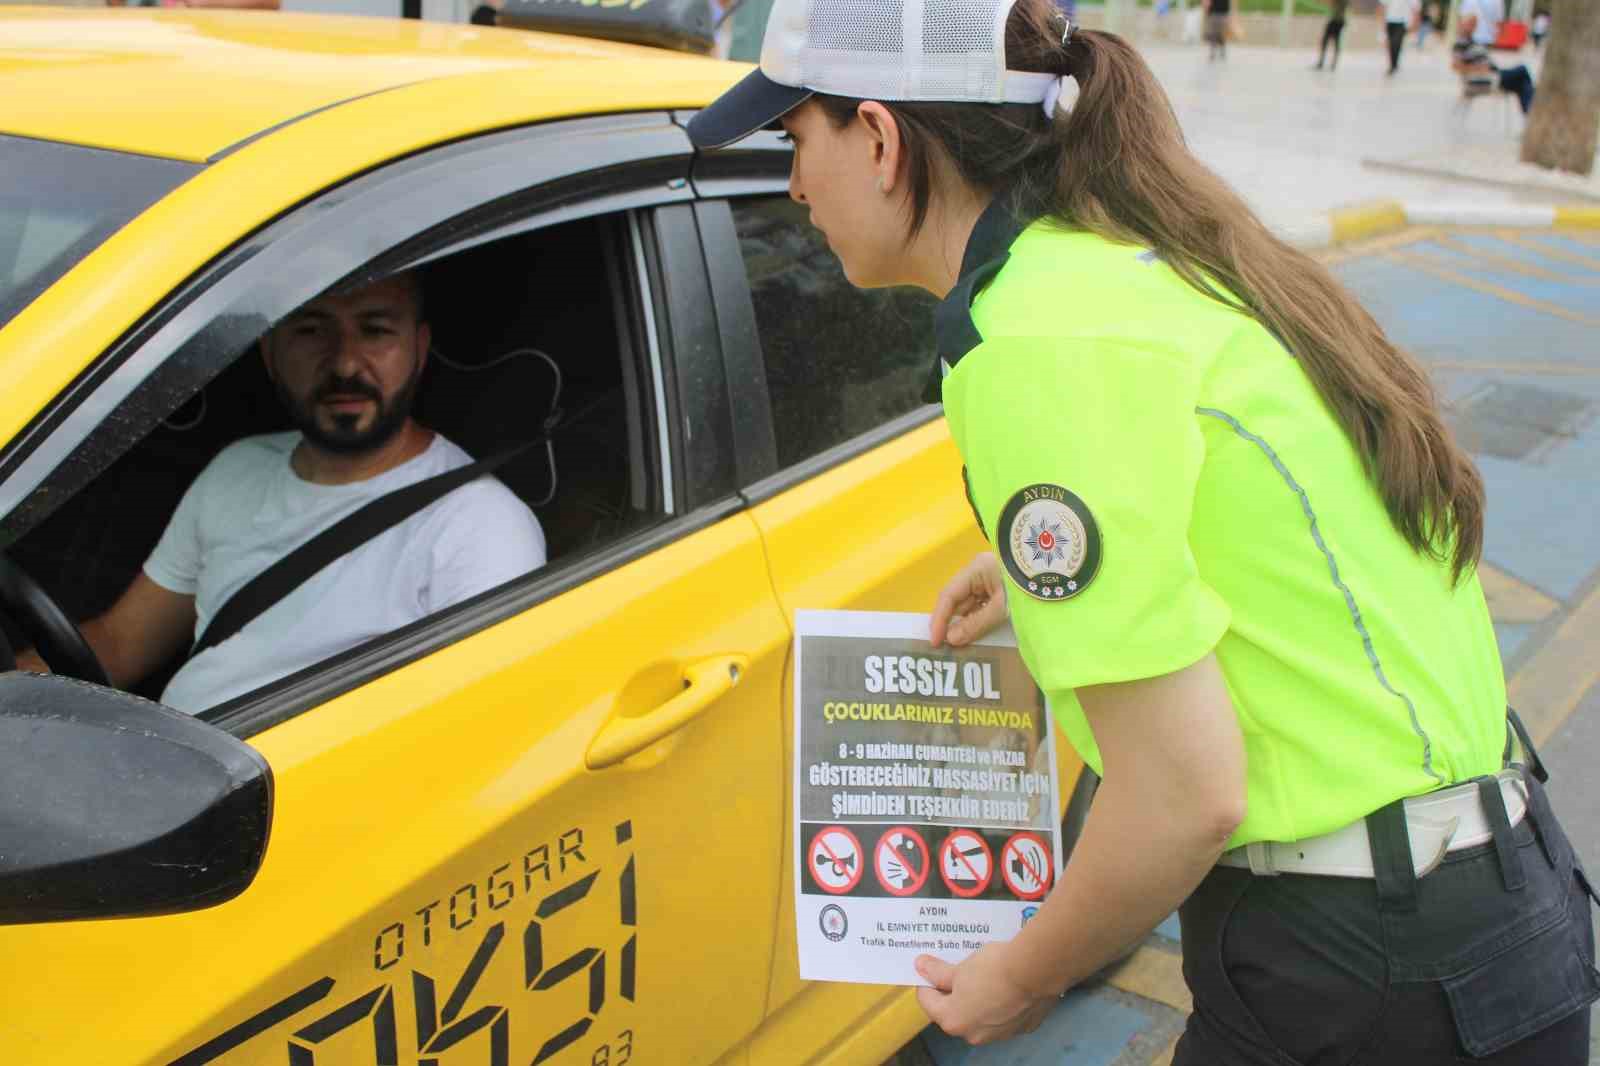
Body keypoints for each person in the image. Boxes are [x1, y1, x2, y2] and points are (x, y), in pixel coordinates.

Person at [686, 0, 1599, 1060]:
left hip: (1362, 969)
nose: (792, 186)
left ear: (880, 139)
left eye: (796, 140)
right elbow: (1222, 504)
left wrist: (1020, 977)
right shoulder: (1114, 259)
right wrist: (1024, 572)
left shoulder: (1036, 343)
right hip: (1478, 906)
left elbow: (1182, 793)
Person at [16, 274, 547, 713]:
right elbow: (120, 643)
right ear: (269, 352)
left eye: (376, 330)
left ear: (419, 350)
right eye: (311, 329)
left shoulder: (480, 528)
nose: (344, 364)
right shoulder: (238, 469)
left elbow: (472, 733)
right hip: (174, 779)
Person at [1381, 0, 1418, 75]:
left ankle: (1394, 63)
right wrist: (1383, 21)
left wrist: (1414, 23)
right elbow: (1384, 6)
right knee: (1391, 43)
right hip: (1389, 20)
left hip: (1402, 21)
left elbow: (1415, 8)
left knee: (1396, 42)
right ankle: (1392, 63)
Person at [1311, 0, 1349, 70]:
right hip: (1339, 20)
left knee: (1327, 41)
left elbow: (1331, 2)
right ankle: (1331, 63)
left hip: (1336, 20)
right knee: (1334, 41)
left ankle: (1324, 62)